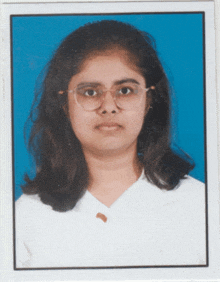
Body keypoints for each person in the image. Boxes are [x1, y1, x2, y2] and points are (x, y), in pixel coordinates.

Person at [15, 20, 206, 268]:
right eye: (90, 92)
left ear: (150, 100)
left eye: (125, 90)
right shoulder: (25, 216)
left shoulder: (200, 206)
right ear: (64, 104)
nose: (108, 106)